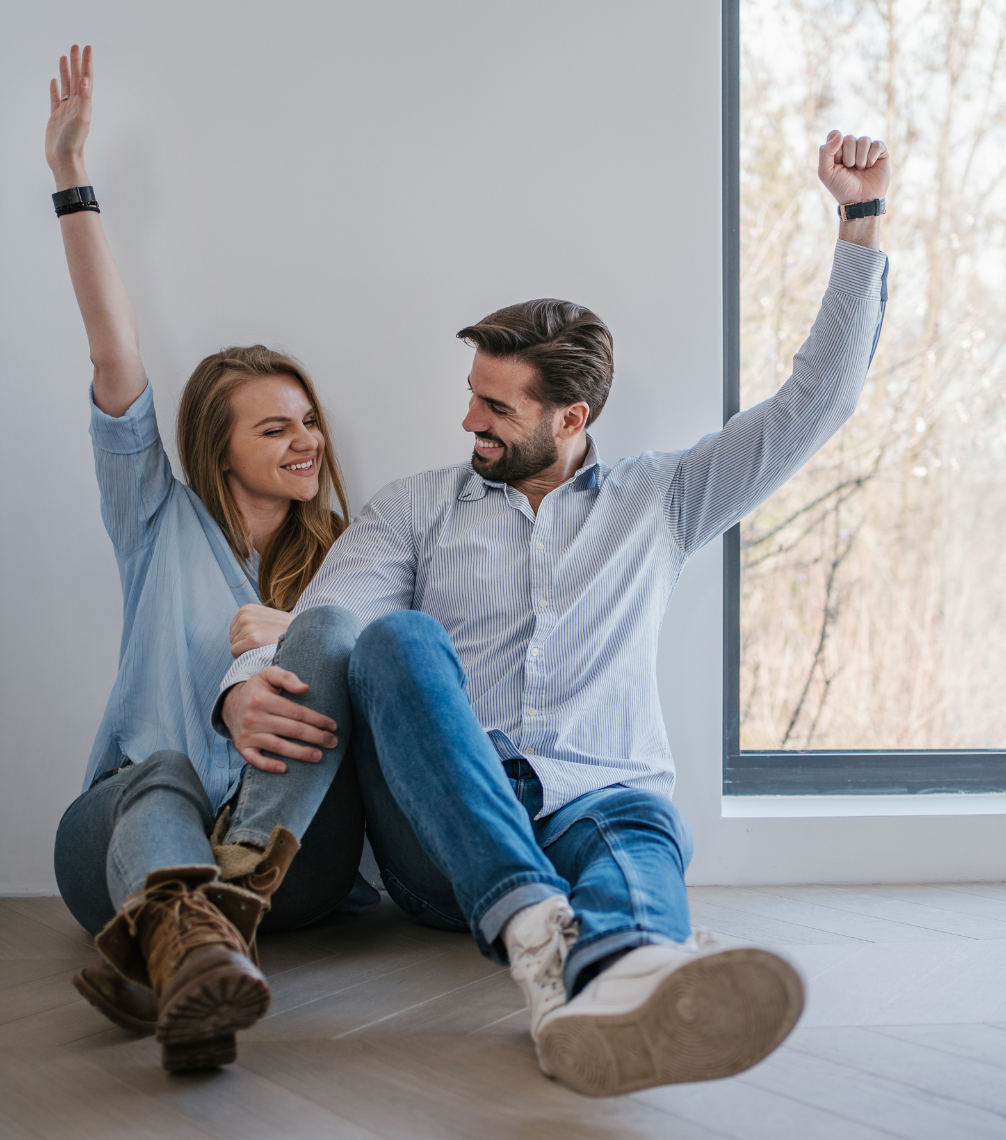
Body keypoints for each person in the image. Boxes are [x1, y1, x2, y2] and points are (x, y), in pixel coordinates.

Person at [211, 127, 891, 1095]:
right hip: (446, 826)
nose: (468, 422)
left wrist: (860, 222)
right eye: (471, 397)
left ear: (571, 419)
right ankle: (554, 928)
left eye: (496, 407)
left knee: (635, 834)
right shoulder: (414, 508)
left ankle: (612, 978)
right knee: (400, 638)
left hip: (598, 799)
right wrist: (238, 687)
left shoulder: (662, 499)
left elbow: (814, 403)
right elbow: (327, 620)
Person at [40, 45, 369, 1072]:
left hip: (291, 864)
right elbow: (113, 351)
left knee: (335, 637)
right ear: (213, 445)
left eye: (307, 420)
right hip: (122, 834)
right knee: (165, 771)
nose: (305, 440)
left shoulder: (349, 564)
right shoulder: (156, 520)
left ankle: (183, 944)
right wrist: (70, 179)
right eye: (274, 428)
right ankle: (197, 951)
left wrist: (293, 629)